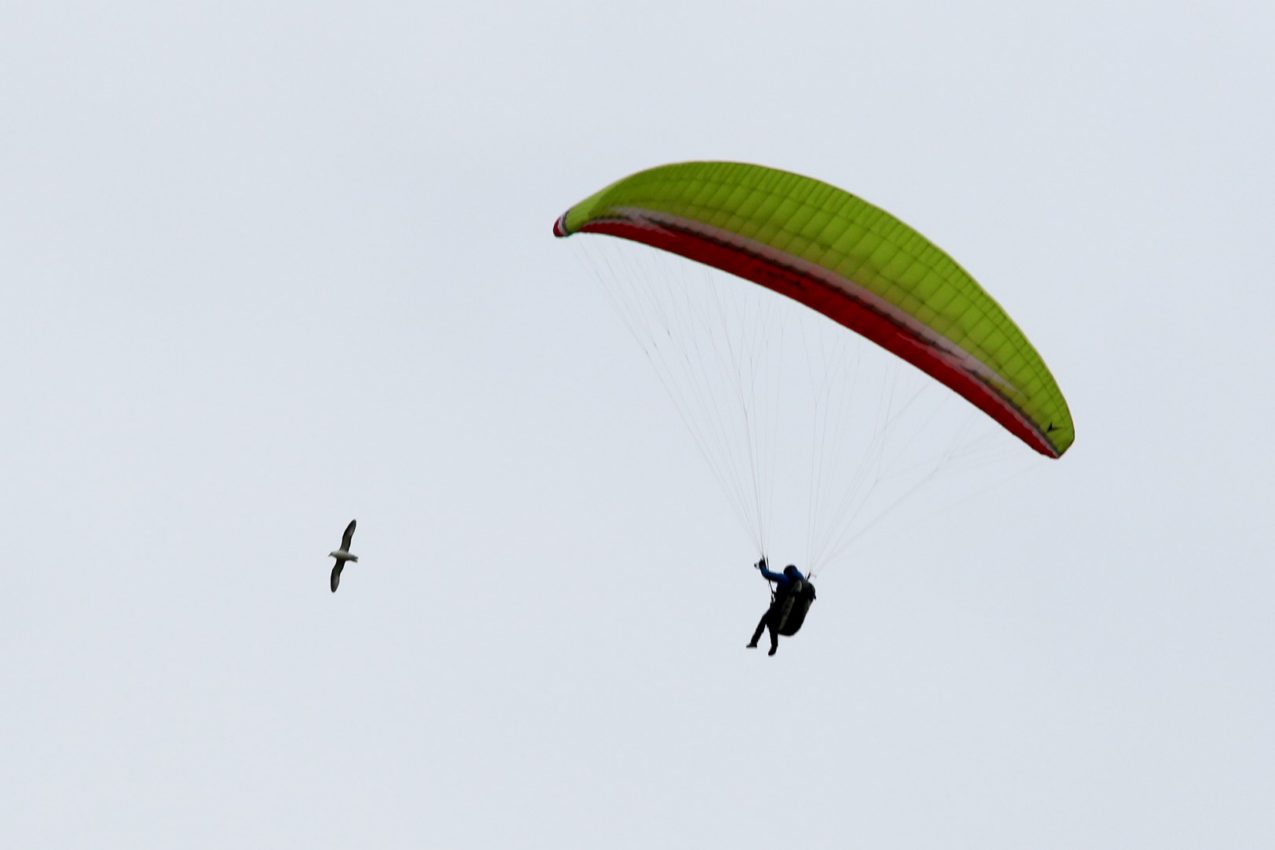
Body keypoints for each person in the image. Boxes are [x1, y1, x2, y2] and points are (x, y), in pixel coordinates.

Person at [747, 558, 809, 656]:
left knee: (764, 620)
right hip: (786, 608)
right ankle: (774, 647)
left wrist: (762, 566)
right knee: (772, 625)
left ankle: (754, 642)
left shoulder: (784, 578)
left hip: (779, 605)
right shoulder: (801, 583)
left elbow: (767, 575)